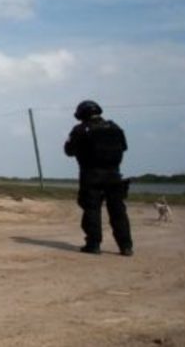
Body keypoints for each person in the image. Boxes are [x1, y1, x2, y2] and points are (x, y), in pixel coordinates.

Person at [64, 100, 132, 256]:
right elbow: (124, 147)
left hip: (91, 175)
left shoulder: (80, 130)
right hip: (114, 175)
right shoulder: (115, 127)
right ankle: (126, 246)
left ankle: (93, 245)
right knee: (118, 211)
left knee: (92, 210)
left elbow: (68, 150)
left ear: (81, 114)